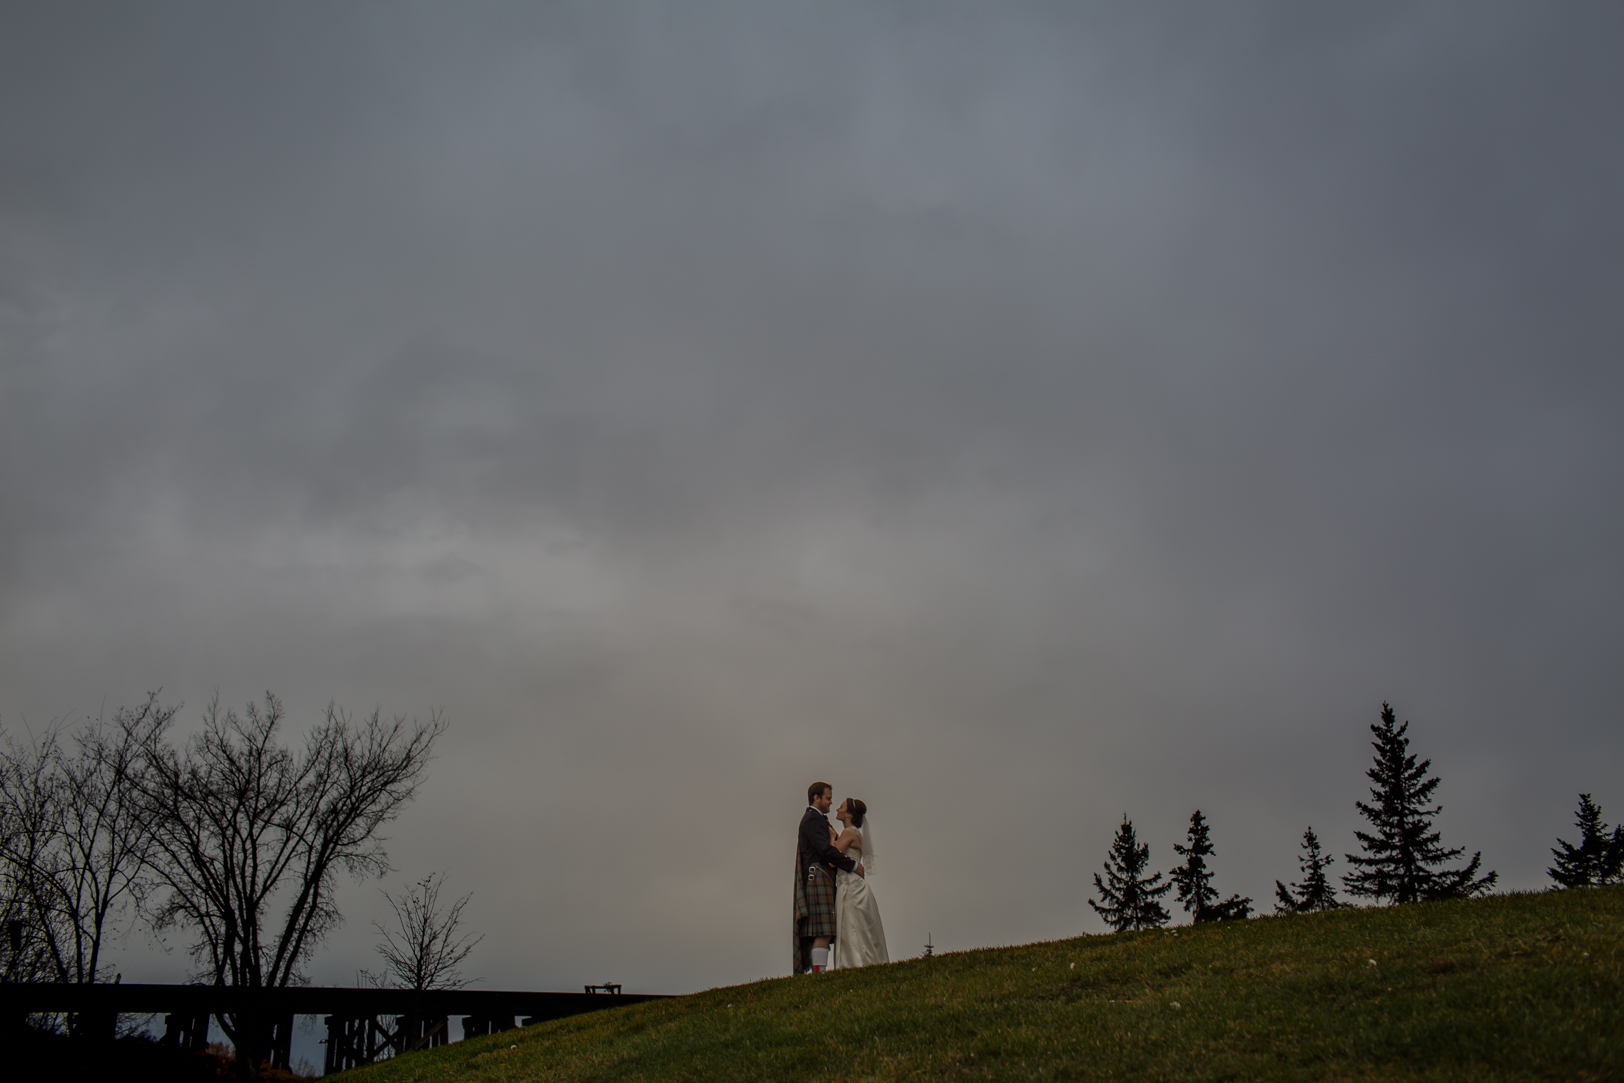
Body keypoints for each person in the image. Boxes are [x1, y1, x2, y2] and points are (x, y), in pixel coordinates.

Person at [794, 781, 863, 973]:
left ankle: (820, 971)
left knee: (825, 930)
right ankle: (819, 973)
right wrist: (853, 865)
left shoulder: (817, 819)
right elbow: (825, 851)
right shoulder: (813, 819)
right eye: (828, 799)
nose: (831, 803)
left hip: (821, 876)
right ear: (816, 798)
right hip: (818, 877)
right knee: (822, 930)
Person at [830, 797, 888, 969]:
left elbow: (833, 859)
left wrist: (831, 838)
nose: (837, 810)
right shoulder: (856, 833)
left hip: (849, 885)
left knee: (851, 925)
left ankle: (853, 964)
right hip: (853, 883)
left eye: (841, 807)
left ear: (848, 814)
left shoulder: (848, 833)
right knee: (860, 927)